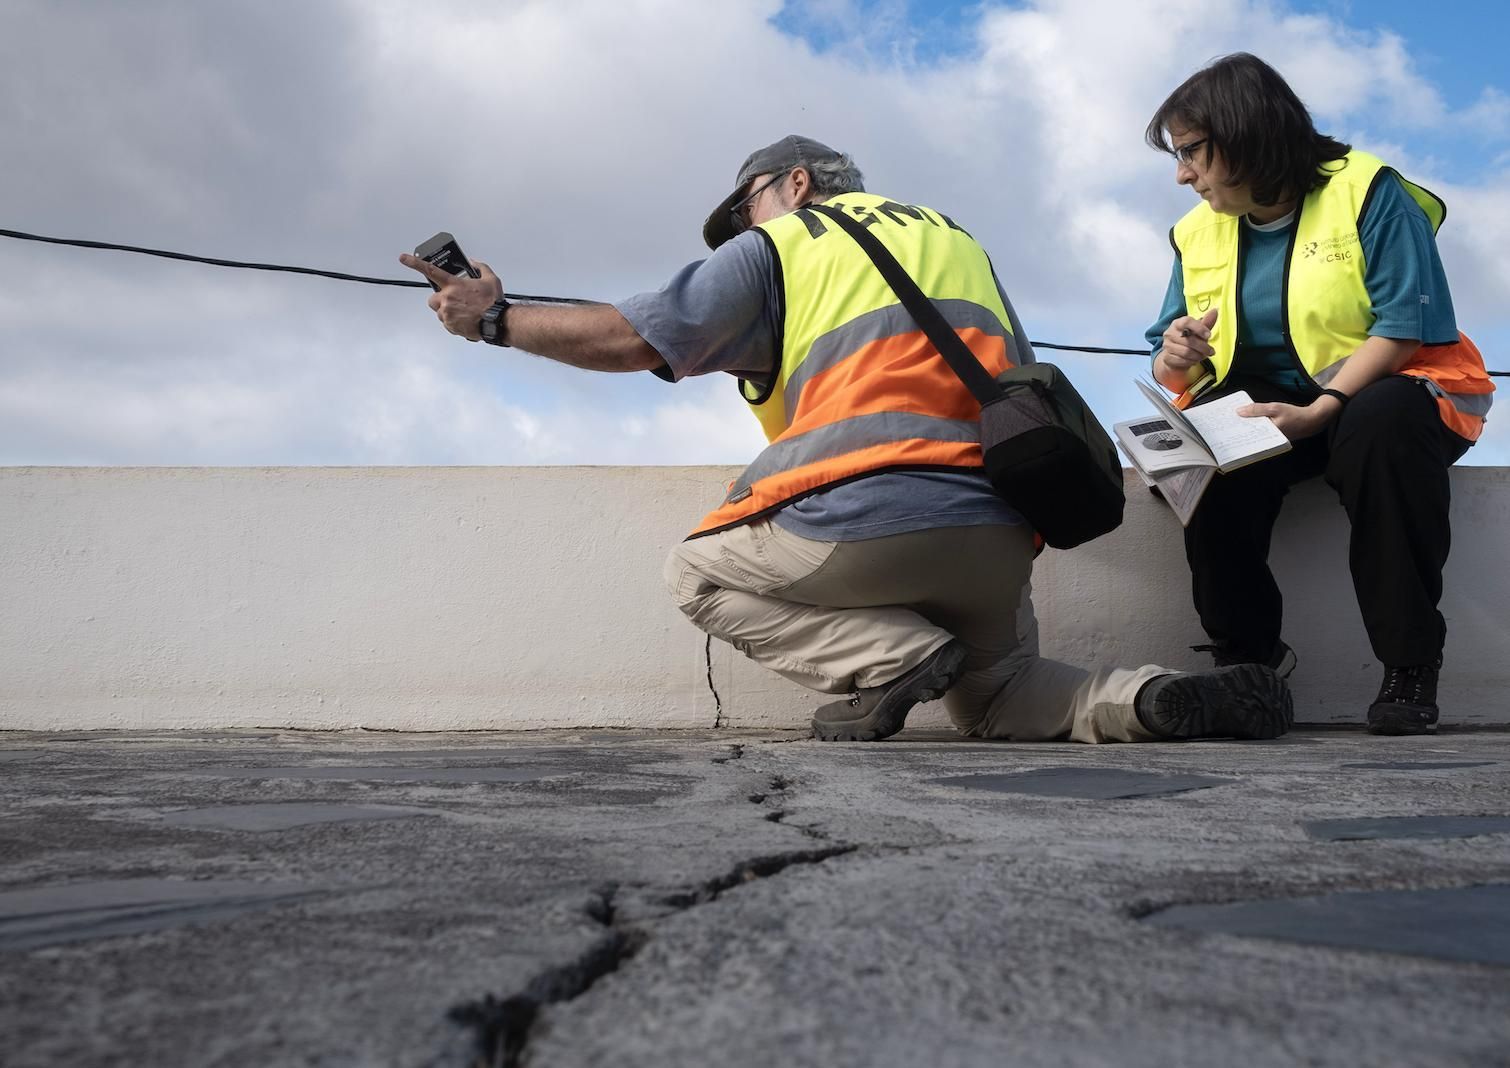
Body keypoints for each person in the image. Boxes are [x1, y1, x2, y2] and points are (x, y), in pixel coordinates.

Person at [401, 134, 1291, 744]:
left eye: (748, 206)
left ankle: (896, 656)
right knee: (1002, 694)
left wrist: (496, 320)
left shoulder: (786, 241)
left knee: (694, 571)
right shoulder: (959, 241)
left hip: (858, 519)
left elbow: (635, 341)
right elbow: (1024, 384)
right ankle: (1151, 698)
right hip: (995, 531)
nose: (744, 229)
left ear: (793, 185)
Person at [1145, 54, 1495, 736]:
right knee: (1204, 448)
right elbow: (1171, 358)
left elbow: (1403, 327)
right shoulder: (1197, 229)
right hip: (1283, 410)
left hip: (1396, 392)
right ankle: (1247, 664)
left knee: (1379, 424)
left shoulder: (1369, 191)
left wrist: (1322, 410)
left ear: (1243, 136)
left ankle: (1410, 663)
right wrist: (1177, 356)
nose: (1183, 174)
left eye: (1191, 153)